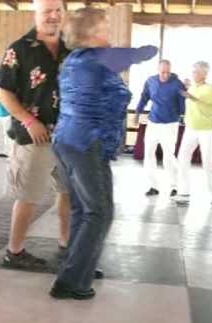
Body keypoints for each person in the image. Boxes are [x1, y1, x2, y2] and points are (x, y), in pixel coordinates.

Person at [50, 7, 158, 300]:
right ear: (92, 32)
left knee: (82, 209)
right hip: (86, 142)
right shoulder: (98, 58)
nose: (109, 31)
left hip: (66, 140)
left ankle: (77, 265)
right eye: (105, 26)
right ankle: (71, 282)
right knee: (100, 212)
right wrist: (150, 47)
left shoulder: (73, 60)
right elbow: (143, 52)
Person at [0, 0, 71, 270]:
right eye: (47, 11)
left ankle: (66, 247)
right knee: (28, 196)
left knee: (68, 194)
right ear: (36, 13)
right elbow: (2, 90)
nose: (53, 15)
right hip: (34, 138)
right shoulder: (20, 49)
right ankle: (14, 252)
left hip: (69, 137)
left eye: (58, 10)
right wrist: (28, 120)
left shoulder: (71, 48)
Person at [136, 60, 186, 198]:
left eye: (168, 72)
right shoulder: (151, 81)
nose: (165, 75)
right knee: (148, 155)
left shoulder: (177, 84)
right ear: (158, 70)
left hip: (170, 125)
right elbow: (144, 97)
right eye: (163, 72)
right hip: (153, 123)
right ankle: (153, 186)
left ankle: (175, 186)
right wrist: (138, 111)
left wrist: (183, 113)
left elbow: (183, 105)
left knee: (168, 157)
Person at [175, 61, 212, 206]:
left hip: (207, 130)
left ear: (204, 74)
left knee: (207, 162)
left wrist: (190, 95)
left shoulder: (209, 88)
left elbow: (207, 106)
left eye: (196, 71)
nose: (193, 73)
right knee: (182, 157)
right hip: (190, 129)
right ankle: (184, 192)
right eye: (192, 71)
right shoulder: (192, 87)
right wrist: (188, 90)